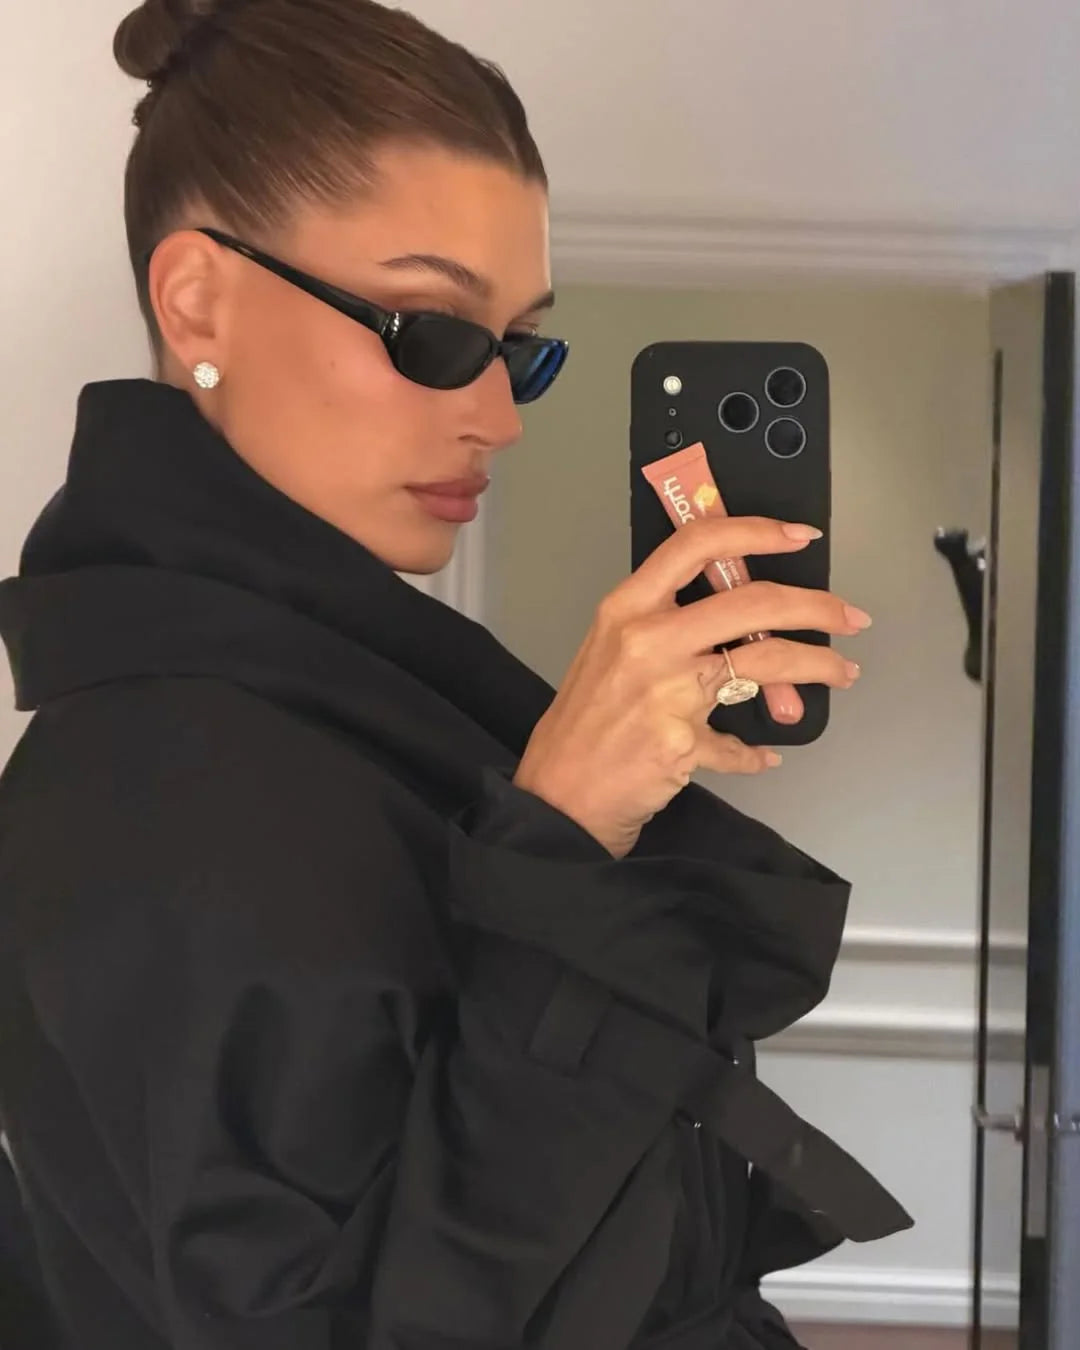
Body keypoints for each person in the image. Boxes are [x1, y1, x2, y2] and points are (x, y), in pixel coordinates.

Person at [0, 2, 911, 1347]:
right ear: (196, 298)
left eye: (519, 346)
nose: (497, 415)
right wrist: (565, 834)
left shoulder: (339, 699)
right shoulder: (160, 777)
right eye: (431, 332)